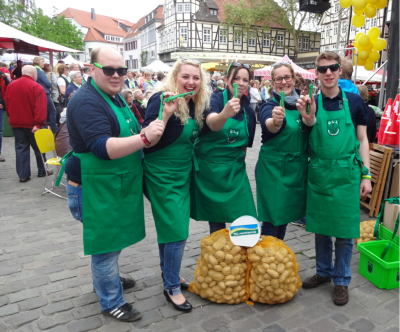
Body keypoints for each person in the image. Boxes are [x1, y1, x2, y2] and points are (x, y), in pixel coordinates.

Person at [62, 46, 165, 322]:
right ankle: (111, 300)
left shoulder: (114, 96)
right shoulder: (86, 101)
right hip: (93, 186)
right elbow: (101, 148)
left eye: (121, 70)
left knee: (112, 241)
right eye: (109, 70)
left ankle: (106, 280)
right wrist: (144, 139)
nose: (117, 75)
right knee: (105, 246)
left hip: (113, 183)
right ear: (92, 68)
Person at [296, 52, 371, 306]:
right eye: (323, 69)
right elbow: (309, 125)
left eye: (333, 68)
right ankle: (323, 272)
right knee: (320, 228)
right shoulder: (310, 102)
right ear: (316, 74)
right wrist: (308, 116)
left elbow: (362, 140)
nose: (328, 73)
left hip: (347, 173)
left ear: (340, 70)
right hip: (318, 171)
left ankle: (341, 280)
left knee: (345, 233)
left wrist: (367, 175)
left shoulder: (355, 101)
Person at [142, 57, 208, 312]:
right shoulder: (161, 99)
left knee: (170, 229)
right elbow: (148, 136)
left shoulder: (195, 104)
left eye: (196, 77)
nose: (191, 81)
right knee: (178, 232)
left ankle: (168, 273)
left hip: (182, 174)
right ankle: (171, 286)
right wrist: (166, 115)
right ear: (175, 78)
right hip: (160, 175)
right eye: (186, 77)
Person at [191, 62, 257, 234]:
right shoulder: (215, 99)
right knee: (217, 222)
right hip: (211, 172)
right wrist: (224, 114)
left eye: (245, 79)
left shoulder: (248, 111)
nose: (241, 83)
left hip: (235, 171)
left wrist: (238, 168)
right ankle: (219, 256)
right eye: (236, 78)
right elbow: (212, 123)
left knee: (245, 220)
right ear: (227, 79)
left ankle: (242, 254)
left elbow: (244, 146)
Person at [256, 63, 310, 240]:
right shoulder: (269, 106)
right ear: (272, 83)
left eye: (287, 77)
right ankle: (265, 261)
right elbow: (268, 124)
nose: (283, 82)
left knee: (284, 219)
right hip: (273, 172)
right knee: (272, 220)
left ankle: (276, 257)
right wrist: (276, 121)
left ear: (294, 80)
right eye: (278, 79)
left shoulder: (302, 106)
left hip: (295, 171)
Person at [5, 65, 51, 182]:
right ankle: (42, 170)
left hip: (16, 122)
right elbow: (40, 108)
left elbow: (8, 104)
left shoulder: (11, 85)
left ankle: (23, 175)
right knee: (39, 148)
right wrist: (39, 123)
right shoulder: (37, 87)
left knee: (21, 148)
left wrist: (11, 117)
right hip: (32, 123)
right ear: (34, 74)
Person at [33, 57, 58, 133]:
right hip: (45, 92)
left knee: (44, 111)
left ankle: (45, 128)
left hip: (39, 92)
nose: (44, 63)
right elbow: (48, 83)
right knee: (52, 111)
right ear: (37, 62)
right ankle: (54, 129)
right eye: (42, 61)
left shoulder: (34, 70)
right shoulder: (40, 71)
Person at [0, 69, 10, 162]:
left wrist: (4, 102)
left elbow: (7, 90)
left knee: (0, 131)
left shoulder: (2, 76)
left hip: (1, 106)